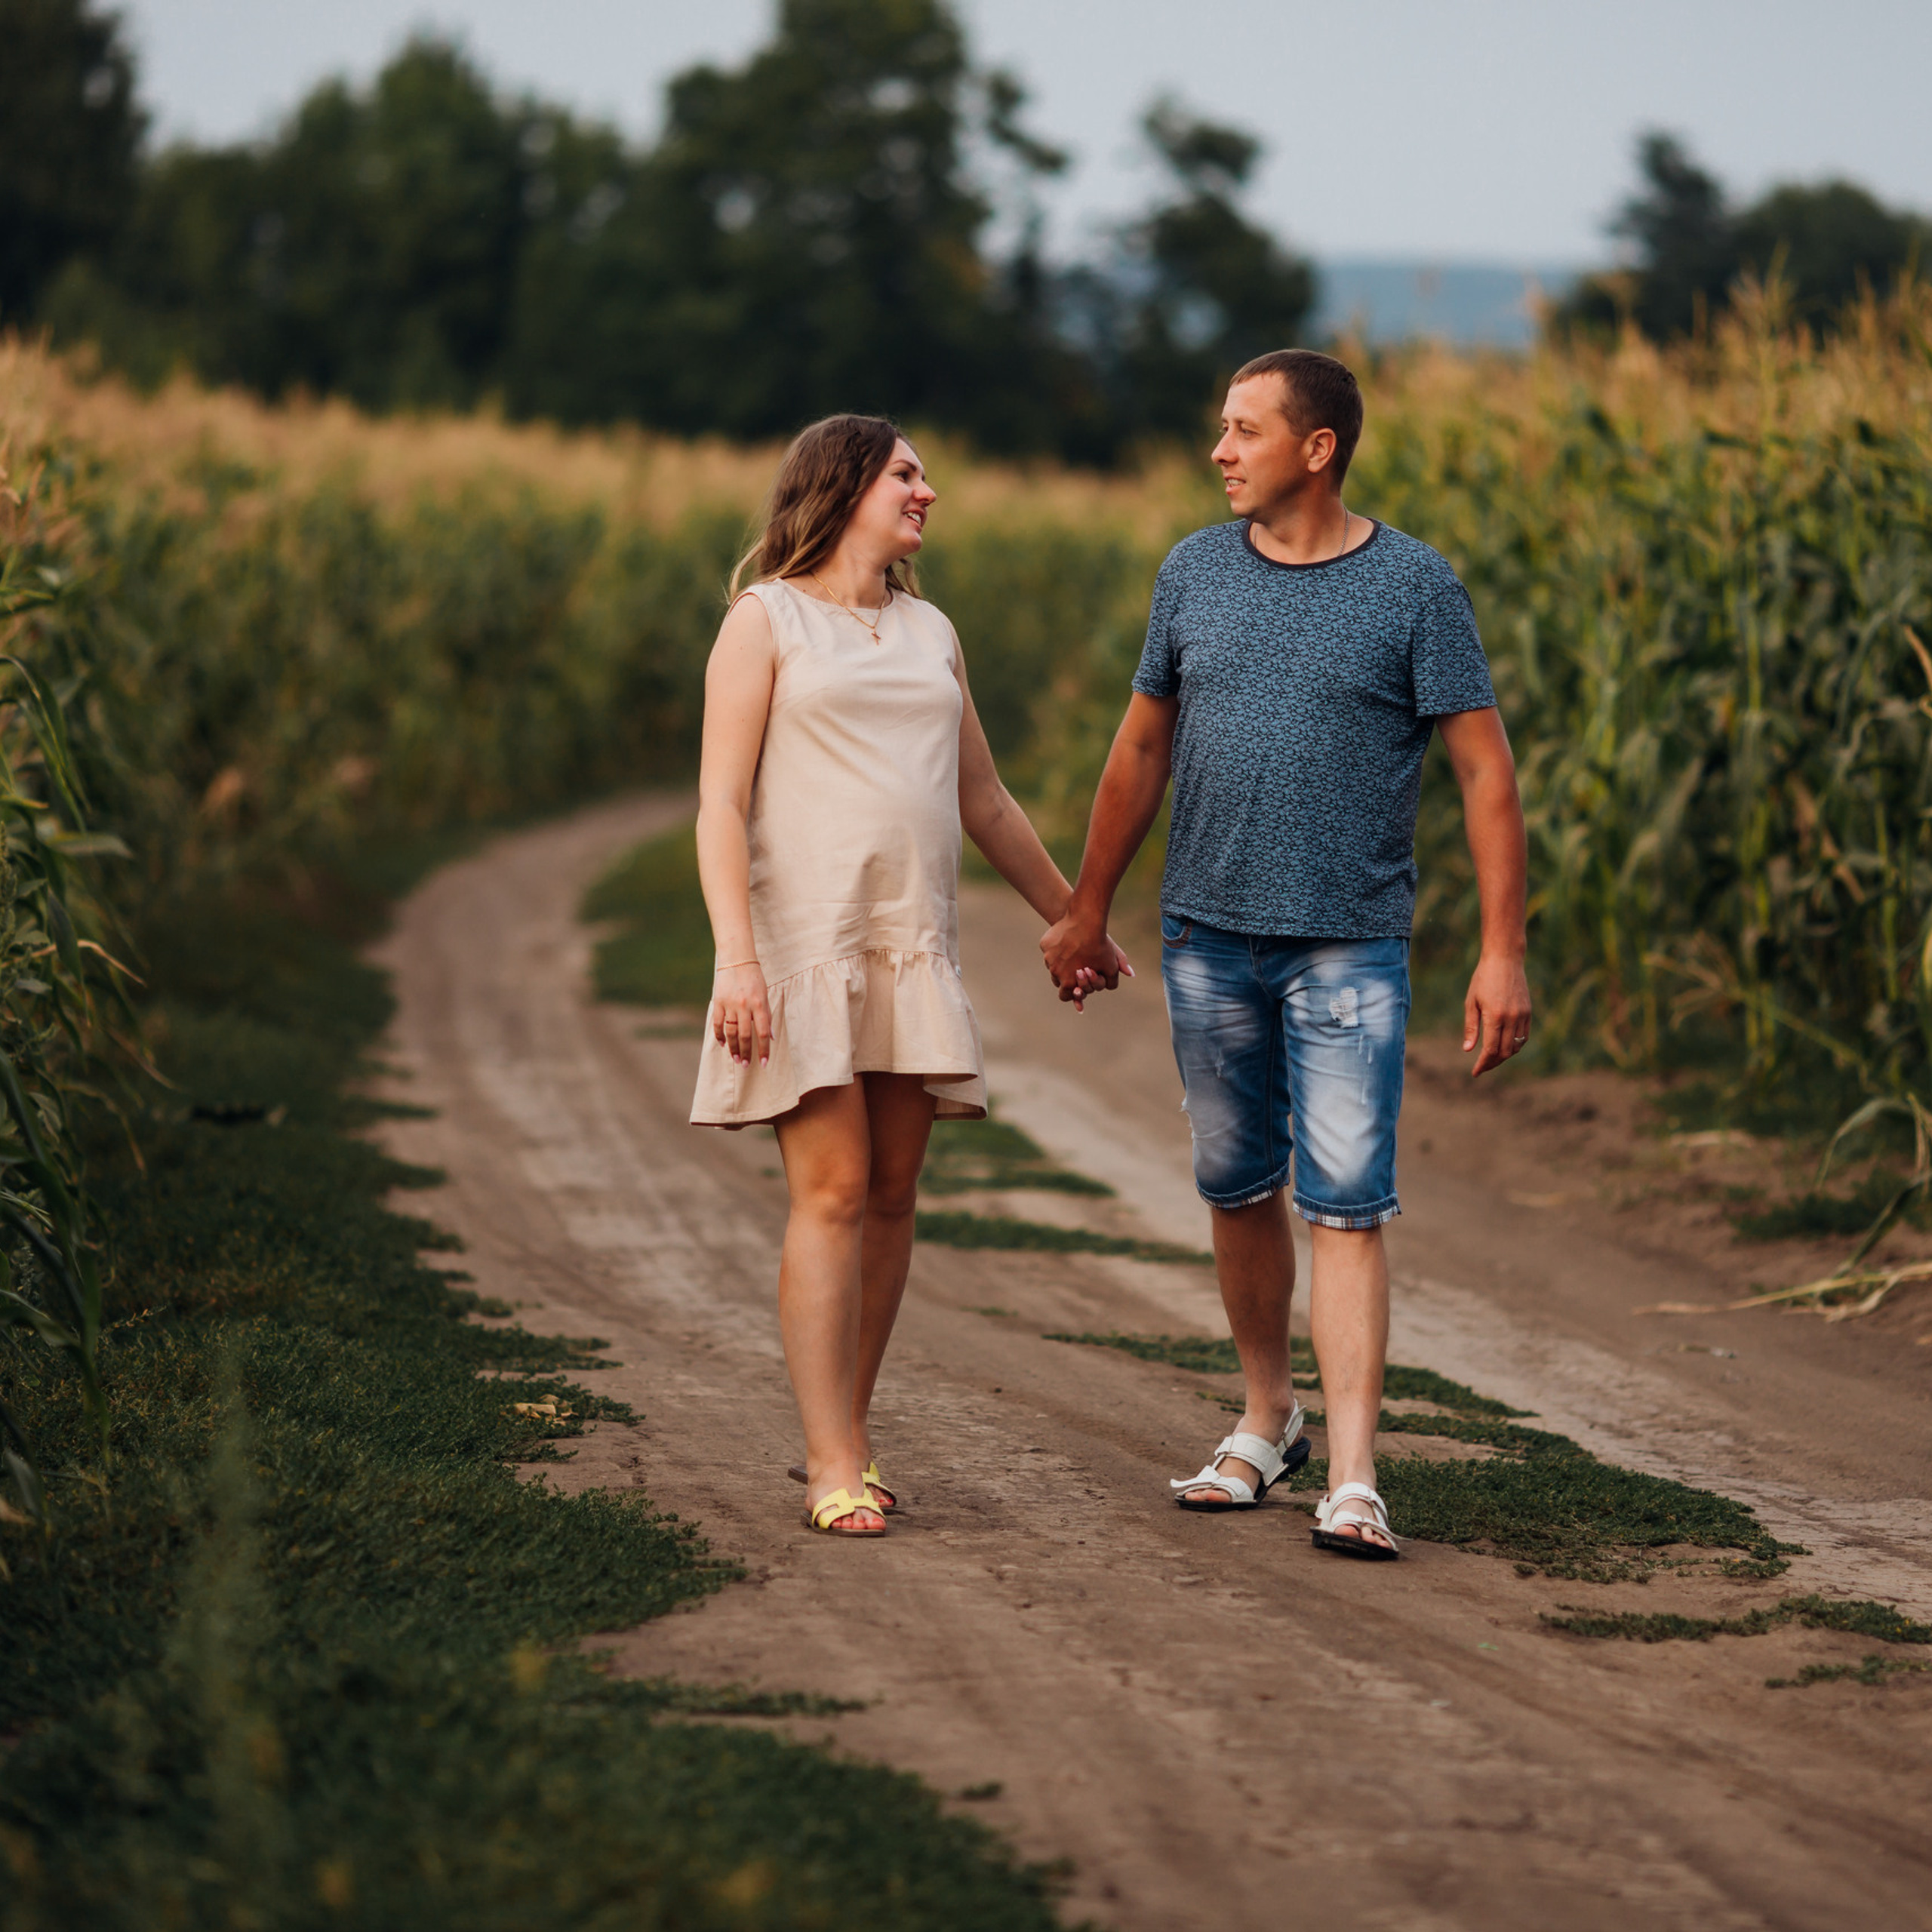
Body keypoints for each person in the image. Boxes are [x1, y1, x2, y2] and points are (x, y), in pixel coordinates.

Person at [1041, 349, 1531, 1561]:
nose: (1220, 450)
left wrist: (1503, 952)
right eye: (1221, 427)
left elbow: (1485, 772)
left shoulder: (1416, 586)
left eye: (1244, 430)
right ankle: (1269, 1421)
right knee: (1237, 1188)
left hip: (1347, 949)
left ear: (1317, 448)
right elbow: (1140, 750)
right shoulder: (1192, 571)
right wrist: (1085, 908)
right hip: (1207, 938)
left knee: (1348, 1206)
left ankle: (1356, 1478)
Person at [693, 414, 1125, 1538]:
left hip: (909, 944)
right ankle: (830, 1455)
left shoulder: (932, 630)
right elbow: (718, 807)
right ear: (842, 487)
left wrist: (1074, 918)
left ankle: (854, 1431)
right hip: (806, 945)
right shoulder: (765, 620)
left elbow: (984, 800)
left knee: (891, 1196)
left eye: (924, 475)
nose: (927, 492)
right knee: (831, 1192)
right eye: (906, 473)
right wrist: (735, 959)